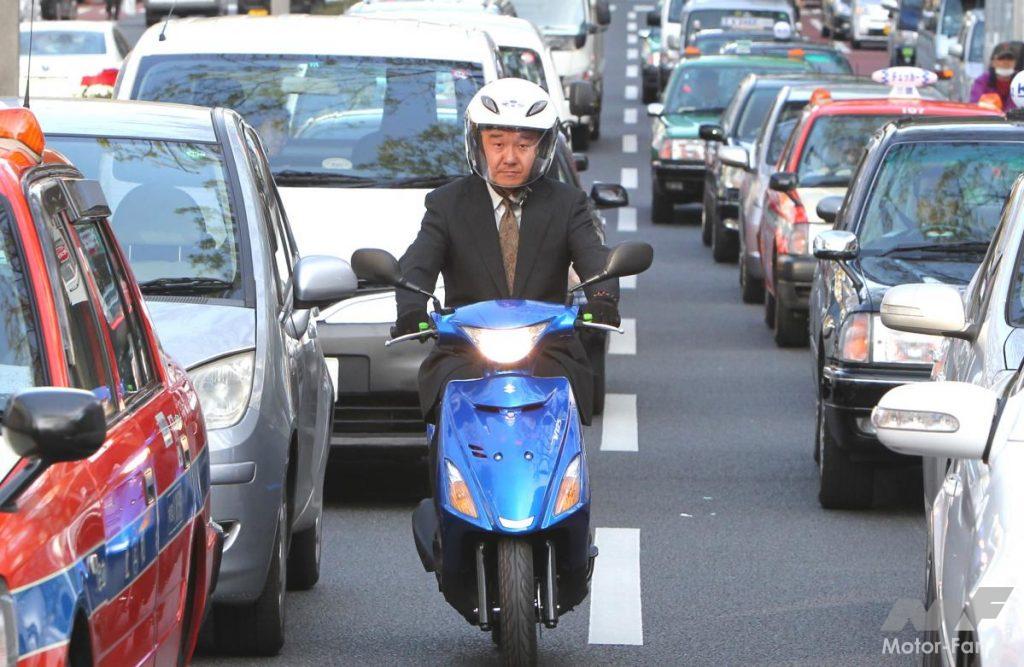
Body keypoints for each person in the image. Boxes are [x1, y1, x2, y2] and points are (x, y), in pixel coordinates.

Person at [393, 78, 620, 427]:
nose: (510, 157)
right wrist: (411, 309)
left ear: (542, 149)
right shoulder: (447, 203)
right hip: (465, 347)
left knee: (565, 401)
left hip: (547, 348)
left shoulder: (567, 203)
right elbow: (419, 261)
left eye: (524, 145)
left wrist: (602, 297)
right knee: (448, 401)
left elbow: (593, 256)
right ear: (478, 145)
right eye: (497, 143)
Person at [970, 42, 1024, 110]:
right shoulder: (981, 82)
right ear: (993, 62)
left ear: (1015, 62)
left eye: (1010, 58)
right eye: (1001, 58)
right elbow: (975, 106)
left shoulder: (1021, 81)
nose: (1006, 62)